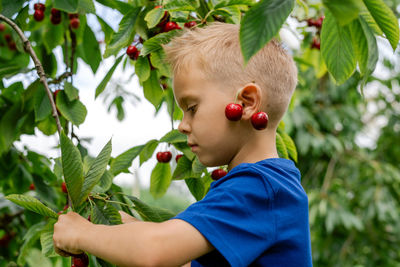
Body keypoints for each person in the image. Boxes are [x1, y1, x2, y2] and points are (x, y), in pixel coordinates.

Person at [53, 22, 312, 267]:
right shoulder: (265, 186)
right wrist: (115, 223)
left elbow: (154, 252)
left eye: (191, 108)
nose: (182, 125)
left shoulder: (260, 189)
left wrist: (81, 234)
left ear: (245, 103)